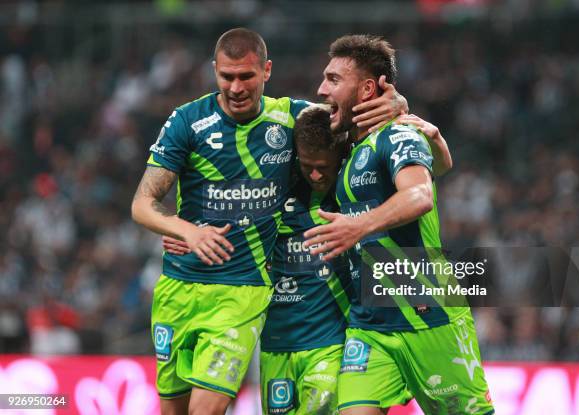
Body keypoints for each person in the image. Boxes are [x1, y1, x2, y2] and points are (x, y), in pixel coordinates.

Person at [131, 28, 407, 415]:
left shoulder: (293, 117)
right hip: (179, 286)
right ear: (215, 72)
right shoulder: (187, 122)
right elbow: (143, 203)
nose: (236, 87)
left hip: (243, 292)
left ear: (266, 72)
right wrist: (186, 230)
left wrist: (400, 105)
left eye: (246, 76)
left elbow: (351, 112)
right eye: (227, 76)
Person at [164, 105, 453, 414]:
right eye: (308, 165)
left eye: (324, 167)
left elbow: (429, 176)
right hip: (276, 345)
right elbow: (233, 219)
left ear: (340, 158)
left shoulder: (353, 194)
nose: (316, 174)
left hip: (331, 343)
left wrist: (410, 115)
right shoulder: (274, 194)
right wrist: (188, 231)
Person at [304, 35, 495, 415]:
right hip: (370, 326)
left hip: (430, 315)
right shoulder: (350, 148)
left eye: (333, 80)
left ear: (368, 88)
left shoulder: (399, 134)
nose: (321, 89)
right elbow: (440, 166)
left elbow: (420, 195)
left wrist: (357, 226)